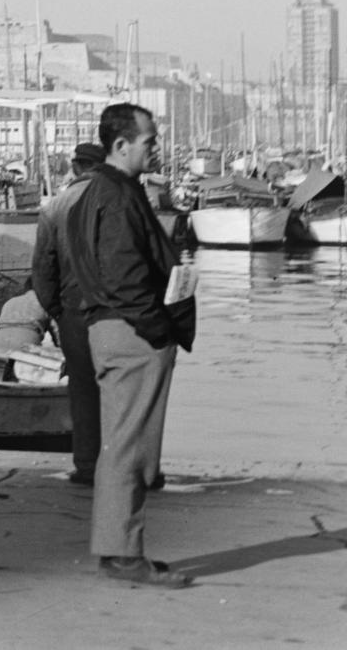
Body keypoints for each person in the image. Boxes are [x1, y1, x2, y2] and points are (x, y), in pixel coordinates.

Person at [66, 103, 195, 589]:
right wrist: (158, 330)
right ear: (121, 145)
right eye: (149, 140)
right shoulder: (117, 196)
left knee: (122, 444)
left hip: (110, 327)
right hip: (131, 332)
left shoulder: (92, 194)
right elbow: (124, 276)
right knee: (130, 448)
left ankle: (118, 550)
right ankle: (123, 557)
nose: (155, 147)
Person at [30, 143, 107, 486]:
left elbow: (42, 272)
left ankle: (88, 464)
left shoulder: (53, 209)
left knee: (84, 389)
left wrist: (57, 311)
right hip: (118, 310)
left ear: (75, 168)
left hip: (74, 310)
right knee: (120, 387)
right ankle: (125, 461)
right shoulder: (121, 201)